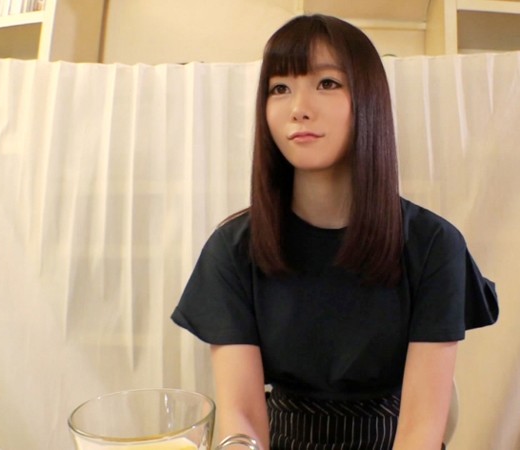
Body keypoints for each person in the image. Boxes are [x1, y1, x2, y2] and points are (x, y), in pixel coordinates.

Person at [171, 14, 498, 450]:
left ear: (368, 99)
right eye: (279, 88)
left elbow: (421, 429)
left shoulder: (434, 245)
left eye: (327, 83)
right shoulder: (232, 249)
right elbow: (242, 420)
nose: (298, 107)